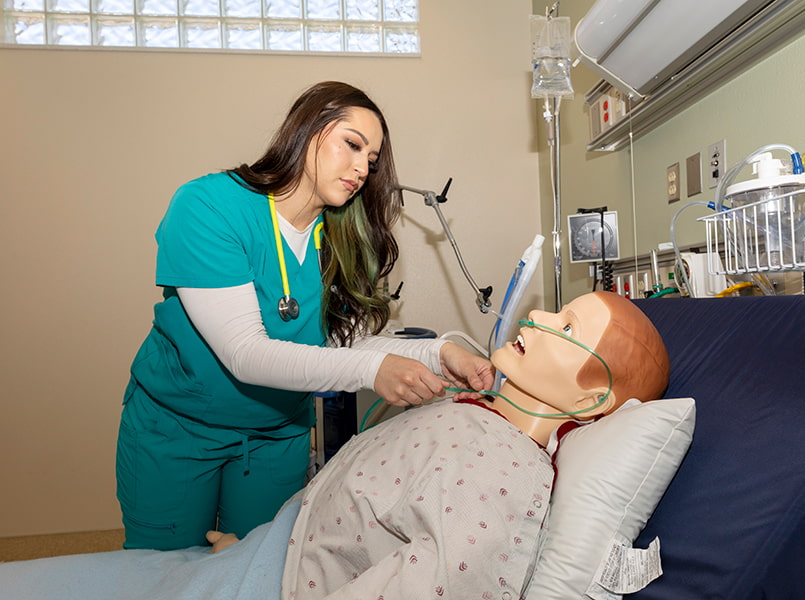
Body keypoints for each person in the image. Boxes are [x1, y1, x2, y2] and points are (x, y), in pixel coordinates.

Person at [1, 291, 668, 600]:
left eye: (565, 326)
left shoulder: (507, 477)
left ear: (591, 398)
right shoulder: (477, 417)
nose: (537, 316)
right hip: (269, 553)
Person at [116, 81, 493, 551]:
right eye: (352, 144)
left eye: (372, 160)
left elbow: (344, 343)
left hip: (277, 434)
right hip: (179, 430)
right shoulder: (209, 207)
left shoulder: (342, 233)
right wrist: (374, 371)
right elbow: (245, 353)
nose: (362, 168)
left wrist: (439, 354)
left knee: (264, 562)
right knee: (162, 572)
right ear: (306, 130)